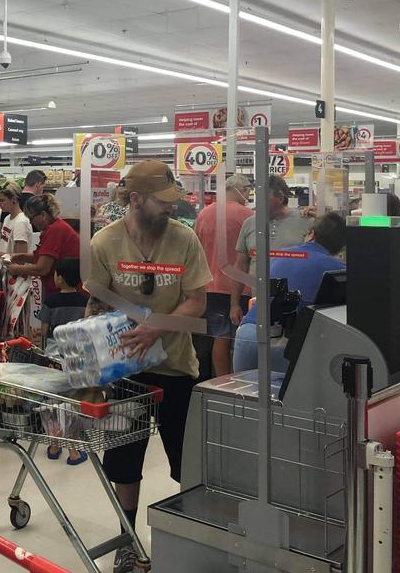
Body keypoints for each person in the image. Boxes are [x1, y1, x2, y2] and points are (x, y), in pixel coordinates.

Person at [84, 160, 211, 573]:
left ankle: (195, 539)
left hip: (176, 368)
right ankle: (127, 539)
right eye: (162, 201)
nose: (171, 208)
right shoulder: (104, 243)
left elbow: (197, 301)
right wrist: (89, 365)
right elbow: (96, 305)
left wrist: (155, 328)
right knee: (124, 461)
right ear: (135, 199)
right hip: (124, 375)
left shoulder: (185, 239)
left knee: (186, 461)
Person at [233, 212, 347, 373]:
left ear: (312, 234)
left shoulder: (283, 255)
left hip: (248, 334)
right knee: (284, 396)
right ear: (341, 247)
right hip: (286, 342)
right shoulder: (339, 271)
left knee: (244, 394)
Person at [230, 175, 311, 327]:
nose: (257, 203)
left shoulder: (306, 221)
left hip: (296, 307)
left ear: (280, 197)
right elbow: (240, 266)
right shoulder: (249, 224)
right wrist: (234, 304)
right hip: (258, 305)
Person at [194, 174, 253, 377]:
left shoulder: (204, 214)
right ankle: (239, 384)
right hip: (241, 287)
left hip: (211, 286)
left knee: (220, 337)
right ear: (242, 190)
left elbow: (198, 249)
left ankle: (221, 384)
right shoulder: (248, 215)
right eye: (248, 191)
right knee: (242, 340)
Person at [38, 258, 90, 465]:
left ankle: (53, 445)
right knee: (71, 400)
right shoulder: (85, 300)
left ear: (59, 278)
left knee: (52, 399)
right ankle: (74, 451)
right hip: (77, 356)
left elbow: (43, 330)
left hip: (54, 355)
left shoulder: (51, 301)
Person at [7, 193, 79, 298]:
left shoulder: (55, 230)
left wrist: (17, 269)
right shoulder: (55, 227)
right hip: (62, 291)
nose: (31, 223)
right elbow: (43, 257)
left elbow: (42, 268)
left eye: (31, 218)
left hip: (66, 295)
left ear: (43, 215)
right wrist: (20, 256)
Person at [0, 185, 32, 258]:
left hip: (14, 268)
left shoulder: (21, 222)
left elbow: (21, 258)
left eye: (2, 200)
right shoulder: (7, 218)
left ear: (14, 200)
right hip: (6, 267)